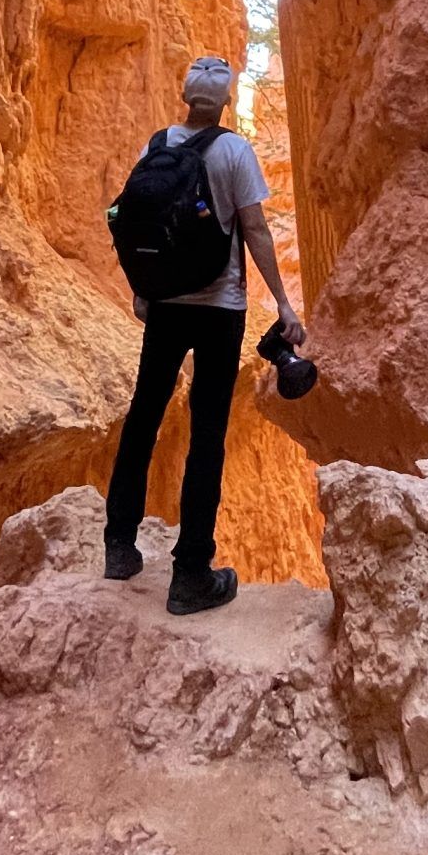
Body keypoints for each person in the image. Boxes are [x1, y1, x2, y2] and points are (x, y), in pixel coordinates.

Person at [103, 54, 305, 615]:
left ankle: (119, 546)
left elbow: (133, 221)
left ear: (185, 96)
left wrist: (143, 290)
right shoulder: (234, 151)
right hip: (219, 307)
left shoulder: (158, 145)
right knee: (207, 435)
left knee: (144, 415)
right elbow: (256, 230)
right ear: (226, 102)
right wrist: (283, 304)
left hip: (165, 305)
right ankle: (190, 574)